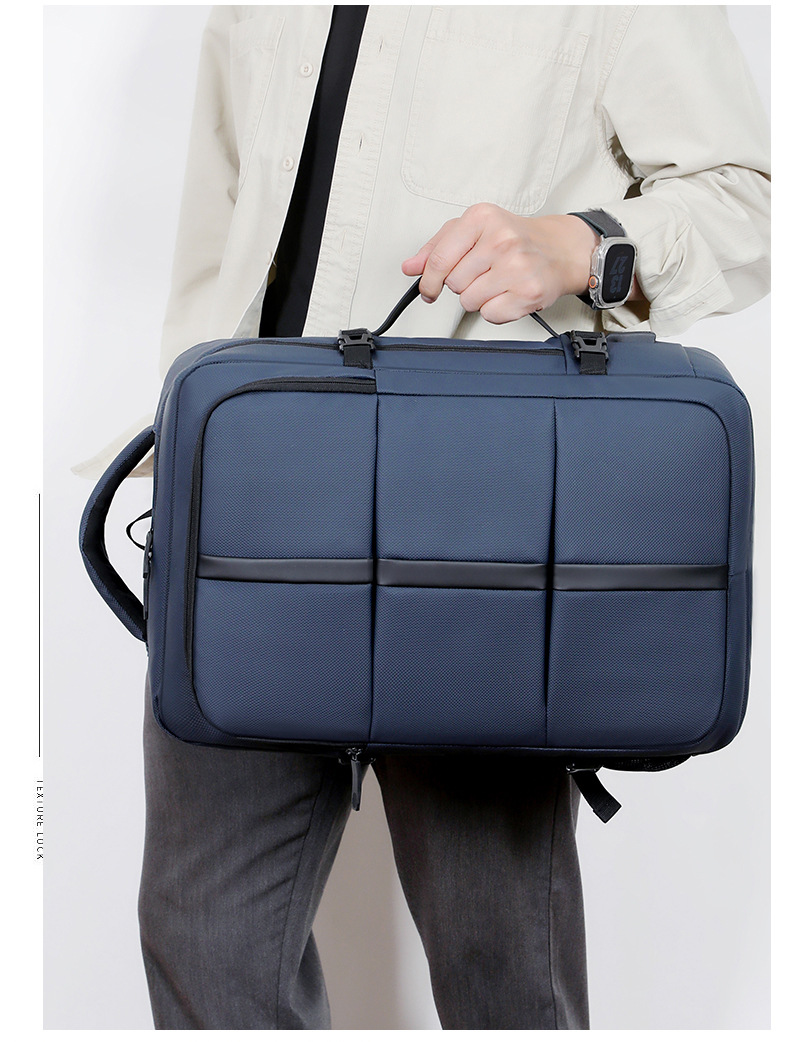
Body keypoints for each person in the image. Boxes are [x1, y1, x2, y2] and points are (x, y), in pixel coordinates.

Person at [135, 5, 770, 1030]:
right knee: (205, 943)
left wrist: (583, 244)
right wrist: (178, 459)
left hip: (482, 519)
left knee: (499, 957)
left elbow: (750, 198)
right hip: (249, 508)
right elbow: (223, 227)